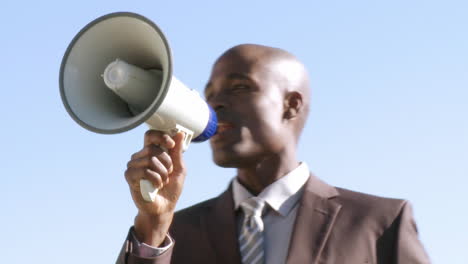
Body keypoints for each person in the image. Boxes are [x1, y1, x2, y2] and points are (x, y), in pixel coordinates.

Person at [116, 44, 430, 264]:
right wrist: (153, 226)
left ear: (291, 104)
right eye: (209, 95)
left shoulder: (380, 223)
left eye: (239, 87)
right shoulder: (171, 234)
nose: (215, 105)